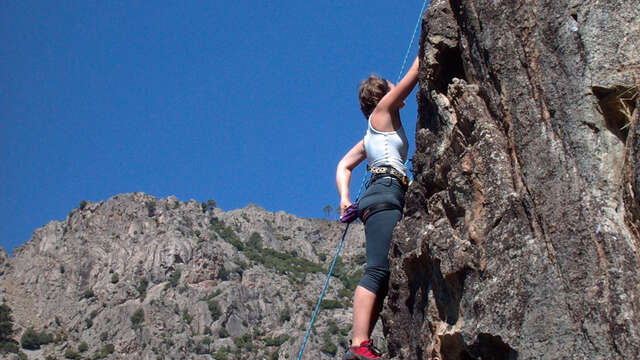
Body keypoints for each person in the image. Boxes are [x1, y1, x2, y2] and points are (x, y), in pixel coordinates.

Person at [336, 56, 419, 360]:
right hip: (385, 192)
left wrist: (345, 199)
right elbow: (416, 72)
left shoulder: (371, 134)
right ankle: (359, 344)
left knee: (383, 275)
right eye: (390, 87)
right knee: (377, 270)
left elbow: (344, 165)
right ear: (384, 94)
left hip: (381, 194)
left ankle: (362, 344)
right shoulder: (383, 112)